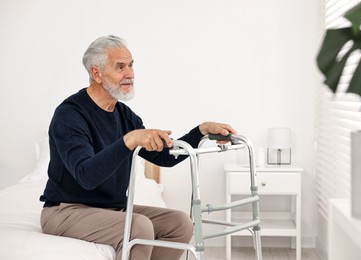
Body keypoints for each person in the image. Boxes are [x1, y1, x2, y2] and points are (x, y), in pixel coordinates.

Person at [39, 35, 237, 260]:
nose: (130, 74)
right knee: (138, 226)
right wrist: (129, 141)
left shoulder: (125, 115)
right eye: (120, 67)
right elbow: (86, 176)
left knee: (180, 223)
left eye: (131, 65)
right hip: (66, 211)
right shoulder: (70, 114)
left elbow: (165, 158)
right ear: (96, 73)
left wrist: (200, 130)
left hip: (111, 210)